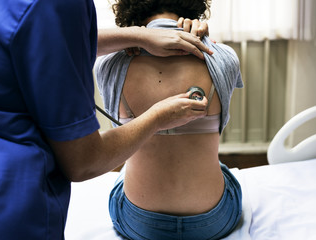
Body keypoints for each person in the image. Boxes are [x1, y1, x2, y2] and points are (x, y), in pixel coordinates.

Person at [0, 0, 212, 239]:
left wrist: (138, 35)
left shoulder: (107, 65)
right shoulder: (221, 57)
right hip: (13, 206)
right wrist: (158, 117)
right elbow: (83, 161)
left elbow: (47, 37)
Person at [94, 0, 244, 239]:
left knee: (125, 173)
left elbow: (76, 43)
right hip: (214, 220)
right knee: (224, 171)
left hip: (139, 224)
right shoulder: (224, 57)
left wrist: (132, 37)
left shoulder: (108, 64)